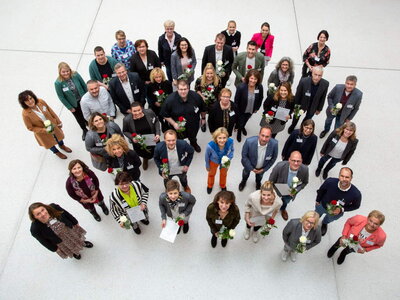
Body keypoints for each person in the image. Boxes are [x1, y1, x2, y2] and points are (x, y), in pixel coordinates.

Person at [19, 90, 72, 159]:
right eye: (27, 101)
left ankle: (62, 146)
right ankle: (56, 152)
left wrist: (58, 122)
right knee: (50, 144)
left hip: (53, 126)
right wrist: (44, 130)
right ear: (24, 103)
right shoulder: (25, 114)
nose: (30, 101)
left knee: (59, 137)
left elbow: (51, 111)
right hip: (42, 132)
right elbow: (30, 127)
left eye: (30, 98)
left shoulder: (40, 102)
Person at [161, 79, 206, 152]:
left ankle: (193, 143)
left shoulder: (196, 97)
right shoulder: (170, 100)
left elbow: (203, 109)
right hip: (178, 127)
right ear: (177, 89)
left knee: (193, 136)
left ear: (188, 88)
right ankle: (180, 148)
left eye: (185, 89)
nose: (183, 91)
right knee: (179, 140)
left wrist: (203, 118)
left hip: (193, 124)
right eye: (181, 89)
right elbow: (165, 114)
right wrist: (174, 123)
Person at [315, 167, 362, 236]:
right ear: (339, 176)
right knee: (316, 215)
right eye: (342, 176)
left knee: (329, 219)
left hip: (336, 213)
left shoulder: (356, 194)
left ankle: (324, 223)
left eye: (347, 177)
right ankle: (314, 221)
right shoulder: (330, 182)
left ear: (351, 178)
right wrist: (318, 200)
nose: (344, 179)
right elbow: (321, 191)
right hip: (322, 205)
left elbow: (356, 206)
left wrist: (342, 209)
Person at [287, 66, 329, 133]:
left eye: (319, 75)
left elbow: (323, 97)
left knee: (307, 119)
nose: (317, 77)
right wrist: (295, 106)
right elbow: (298, 95)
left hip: (313, 106)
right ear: (312, 73)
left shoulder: (325, 84)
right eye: (315, 74)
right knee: (296, 117)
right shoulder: (303, 81)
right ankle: (292, 126)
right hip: (301, 104)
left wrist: (319, 109)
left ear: (322, 75)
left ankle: (302, 128)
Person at [269, 151, 309, 221]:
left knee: (285, 202)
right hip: (277, 190)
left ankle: (283, 209)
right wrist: (271, 192)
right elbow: (271, 181)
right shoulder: (279, 166)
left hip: (290, 193)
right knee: (274, 201)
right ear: (289, 160)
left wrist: (296, 190)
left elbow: (304, 183)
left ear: (301, 161)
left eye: (298, 161)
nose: (296, 163)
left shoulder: (305, 170)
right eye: (293, 160)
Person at [54, 62, 88, 140]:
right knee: (78, 116)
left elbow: (83, 85)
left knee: (86, 112)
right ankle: (84, 129)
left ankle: (89, 123)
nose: (66, 73)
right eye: (63, 72)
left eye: (67, 71)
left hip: (83, 99)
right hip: (73, 103)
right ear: (60, 72)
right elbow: (61, 97)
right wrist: (69, 107)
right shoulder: (58, 83)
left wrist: (88, 96)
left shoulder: (75, 75)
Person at [122, 102, 161, 170]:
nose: (137, 112)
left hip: (153, 138)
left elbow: (156, 121)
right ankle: (145, 159)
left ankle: (157, 158)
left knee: (157, 150)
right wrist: (132, 137)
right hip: (139, 141)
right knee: (143, 152)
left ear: (142, 109)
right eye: (134, 111)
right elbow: (125, 131)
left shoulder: (149, 112)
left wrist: (157, 133)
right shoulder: (127, 120)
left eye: (139, 110)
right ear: (131, 111)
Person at [239, 126, 278, 191]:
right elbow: (244, 156)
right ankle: (243, 181)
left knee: (259, 177)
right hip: (249, 164)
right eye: (262, 135)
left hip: (262, 167)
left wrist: (264, 169)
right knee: (245, 173)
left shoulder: (274, 144)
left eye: (267, 136)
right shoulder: (249, 142)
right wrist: (251, 168)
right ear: (259, 134)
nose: (264, 139)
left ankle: (258, 183)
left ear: (270, 137)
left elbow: (273, 158)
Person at [234, 69, 264, 142]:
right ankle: (239, 131)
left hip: (251, 109)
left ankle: (242, 127)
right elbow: (236, 100)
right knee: (241, 121)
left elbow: (260, 98)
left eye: (255, 79)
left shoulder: (259, 87)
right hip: (241, 109)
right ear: (248, 78)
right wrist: (236, 110)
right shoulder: (241, 87)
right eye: (251, 78)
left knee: (246, 119)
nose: (253, 81)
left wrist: (257, 108)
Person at [205, 127, 234, 194]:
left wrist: (229, 158)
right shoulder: (210, 146)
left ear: (227, 138)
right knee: (211, 174)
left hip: (225, 161)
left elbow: (232, 150)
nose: (222, 140)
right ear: (216, 138)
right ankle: (210, 185)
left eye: (224, 138)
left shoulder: (230, 142)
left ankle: (223, 185)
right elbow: (207, 156)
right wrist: (207, 165)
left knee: (224, 174)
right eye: (219, 138)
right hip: (213, 161)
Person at [195, 63, 221, 131]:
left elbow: (219, 91)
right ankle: (203, 119)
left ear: (214, 73)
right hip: (203, 100)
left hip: (214, 101)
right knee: (203, 111)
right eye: (207, 73)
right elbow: (197, 90)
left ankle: (211, 121)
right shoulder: (199, 80)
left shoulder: (218, 80)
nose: (209, 75)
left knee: (213, 112)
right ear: (205, 73)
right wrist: (202, 97)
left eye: (211, 73)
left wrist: (219, 102)